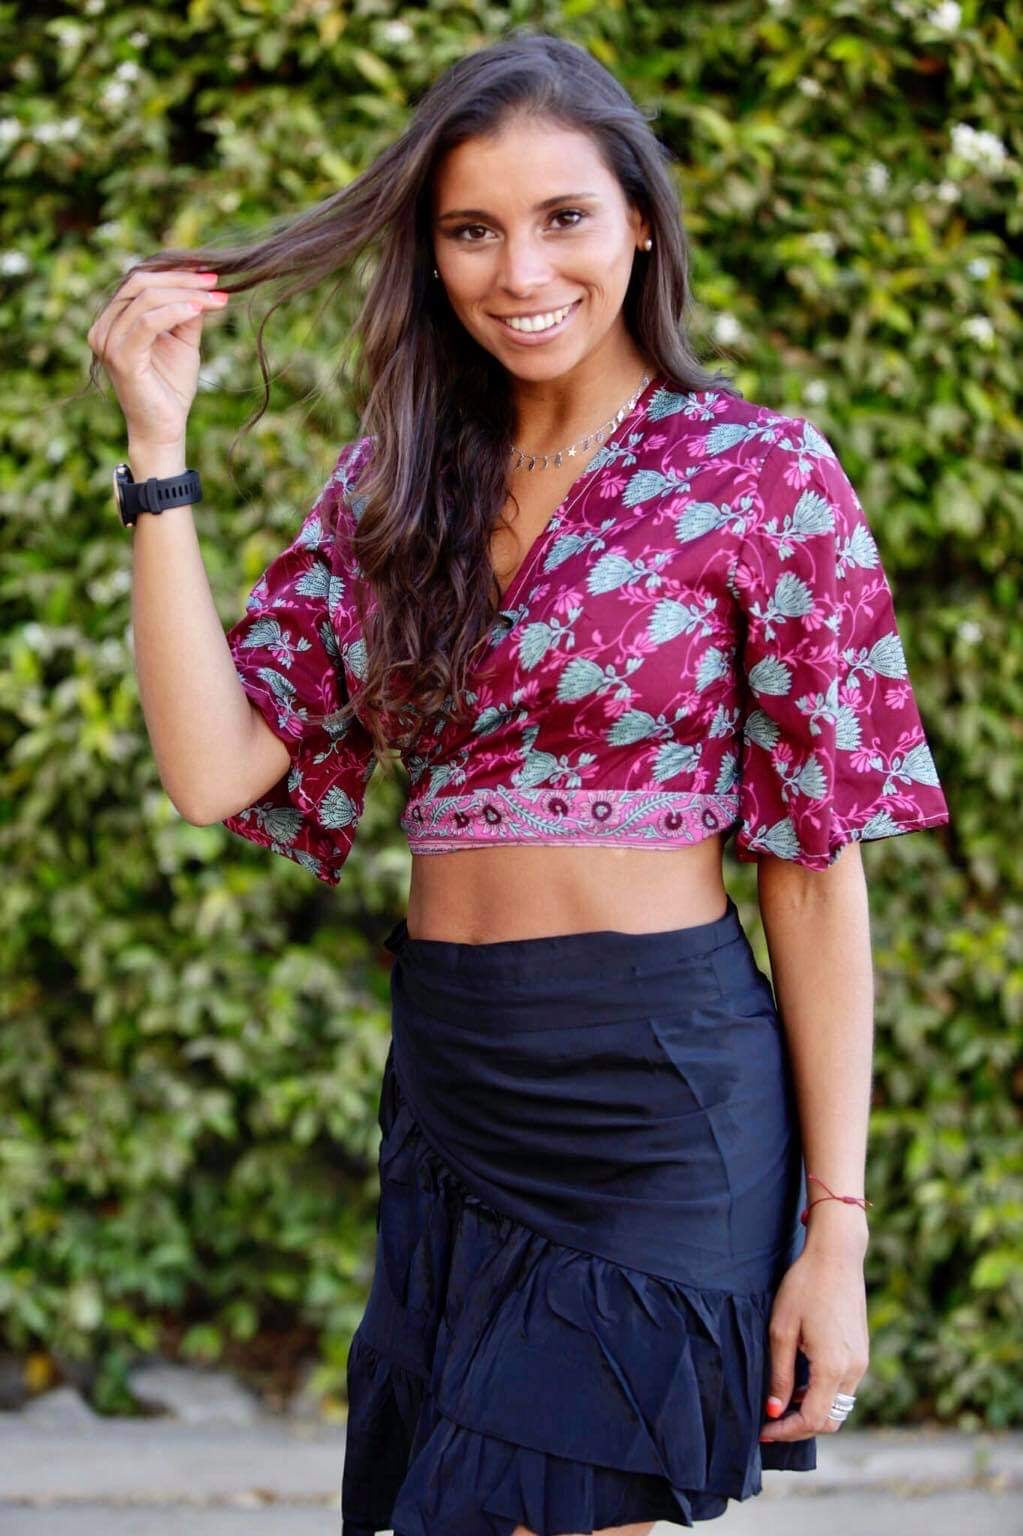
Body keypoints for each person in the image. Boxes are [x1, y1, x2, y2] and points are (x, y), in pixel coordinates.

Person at [86, 30, 949, 1536]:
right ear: (429, 255)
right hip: (457, 1091)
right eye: (473, 230)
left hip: (661, 1096)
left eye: (564, 220)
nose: (520, 270)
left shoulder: (757, 474)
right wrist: (158, 458)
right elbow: (217, 770)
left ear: (640, 225)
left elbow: (814, 863)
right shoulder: (396, 480)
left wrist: (841, 1229)